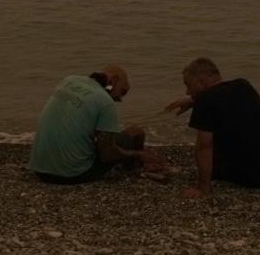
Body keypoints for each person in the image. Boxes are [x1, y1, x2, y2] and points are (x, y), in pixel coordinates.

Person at [166, 57, 260, 198]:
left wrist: (203, 187)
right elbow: (221, 97)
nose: (187, 92)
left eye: (188, 85)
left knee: (212, 152)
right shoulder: (243, 85)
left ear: (200, 81)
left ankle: (210, 183)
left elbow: (204, 146)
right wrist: (193, 101)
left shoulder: (205, 101)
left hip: (258, 176)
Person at [28, 64, 161, 184]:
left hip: (40, 171)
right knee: (135, 133)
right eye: (123, 91)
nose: (120, 99)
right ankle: (134, 168)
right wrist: (137, 153)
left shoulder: (69, 80)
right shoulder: (105, 101)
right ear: (113, 80)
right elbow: (107, 154)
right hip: (72, 175)